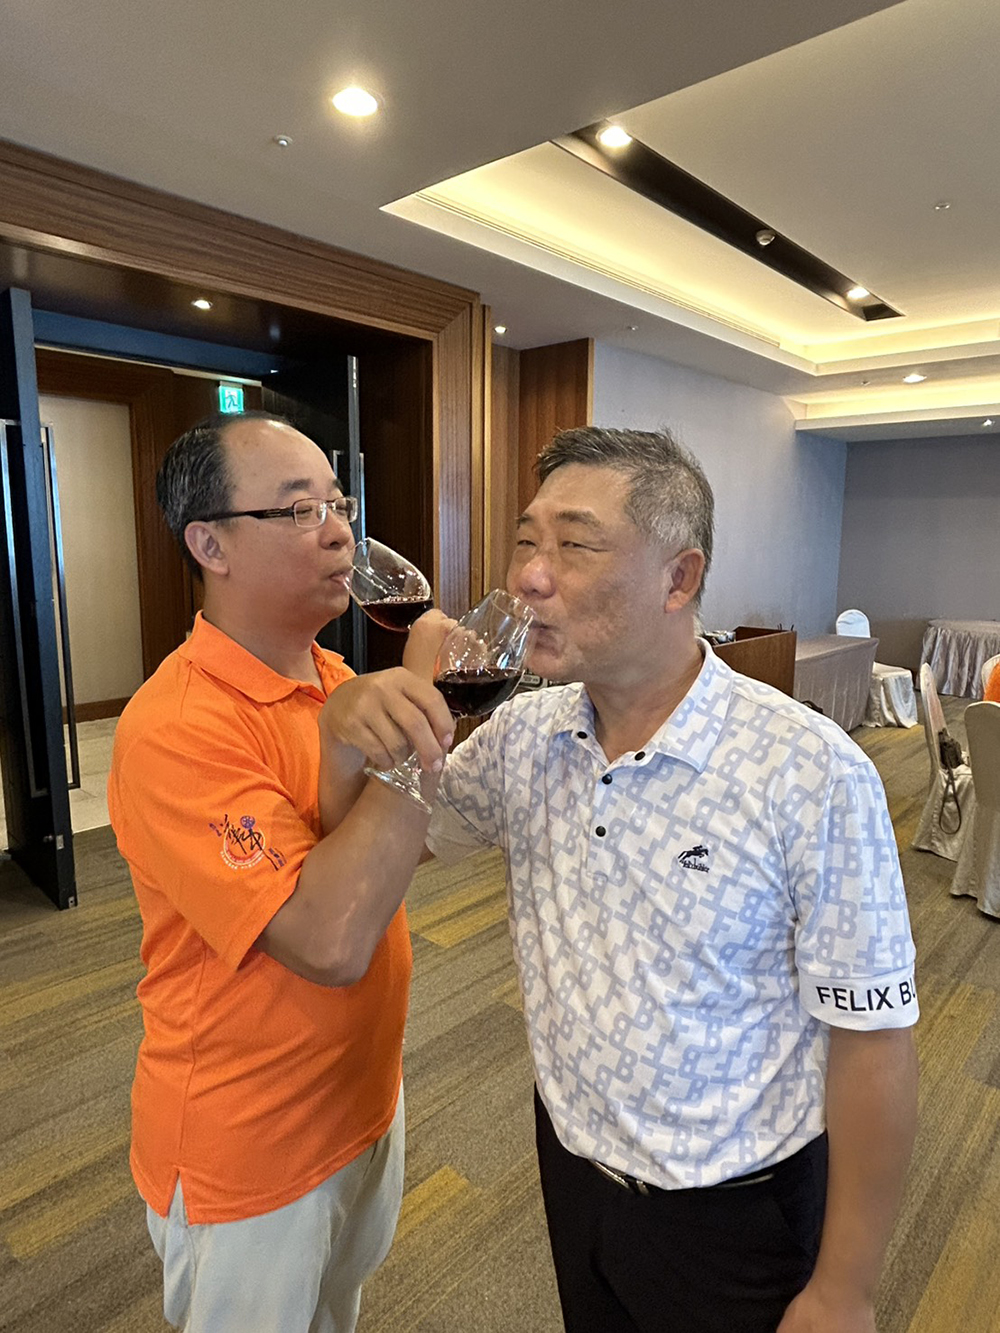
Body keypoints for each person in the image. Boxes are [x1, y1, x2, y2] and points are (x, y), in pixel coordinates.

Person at [424, 427, 919, 1333]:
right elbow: (408, 835)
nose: (529, 575)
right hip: (571, 1161)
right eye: (526, 540)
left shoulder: (808, 769)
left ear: (679, 578)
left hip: (736, 1209)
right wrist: (384, 713)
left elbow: (874, 1042)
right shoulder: (524, 737)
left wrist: (845, 1287)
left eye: (574, 544)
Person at [108, 410, 454, 1333]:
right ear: (210, 543)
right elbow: (330, 939)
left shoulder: (336, 679)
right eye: (300, 509)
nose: (340, 532)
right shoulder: (177, 726)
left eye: (339, 504)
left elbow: (392, 853)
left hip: (361, 1098)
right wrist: (428, 710)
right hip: (250, 1142)